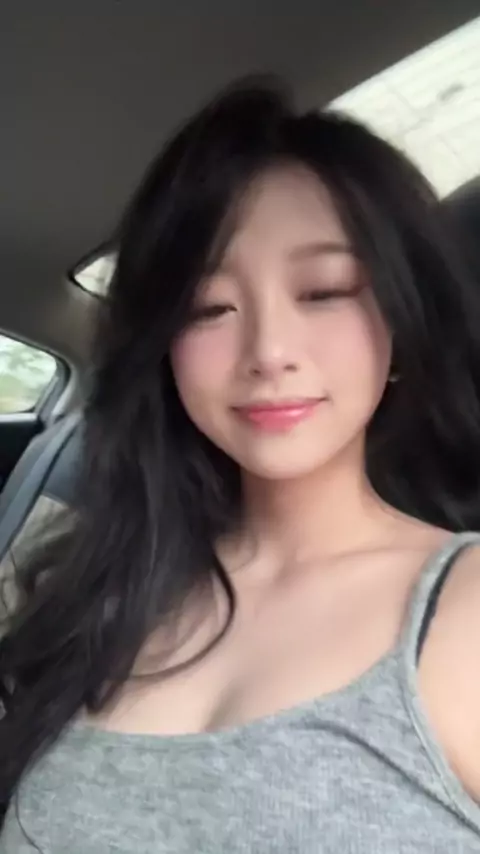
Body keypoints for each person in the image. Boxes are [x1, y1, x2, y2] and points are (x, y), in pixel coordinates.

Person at [1, 77, 480, 853]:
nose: (268, 351)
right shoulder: (99, 590)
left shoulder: (463, 610)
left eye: (324, 290)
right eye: (208, 307)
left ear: (400, 319)